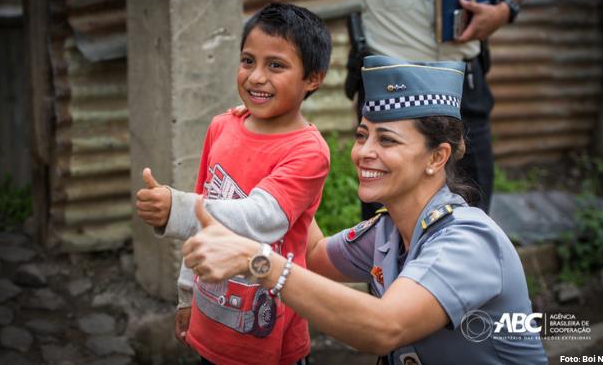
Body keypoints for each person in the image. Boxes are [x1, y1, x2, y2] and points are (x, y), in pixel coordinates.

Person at [182, 55, 548, 364]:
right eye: (362, 135)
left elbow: (384, 328)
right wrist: (281, 153)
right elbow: (311, 255)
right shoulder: (387, 232)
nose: (363, 152)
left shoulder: (467, 241)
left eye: (386, 140)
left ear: (437, 157)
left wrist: (258, 261)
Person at [133, 0, 539, 215]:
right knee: (382, 214)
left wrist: (506, 9)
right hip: (390, 88)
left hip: (460, 85)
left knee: (469, 207)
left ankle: (457, 329)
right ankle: (387, 323)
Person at [135, 3, 332, 365]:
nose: (256, 77)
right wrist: (186, 296)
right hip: (211, 316)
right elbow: (204, 222)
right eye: (247, 61)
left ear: (313, 78)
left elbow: (262, 218)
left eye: (276, 65)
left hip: (268, 330)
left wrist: (177, 209)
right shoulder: (221, 127)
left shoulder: (308, 152)